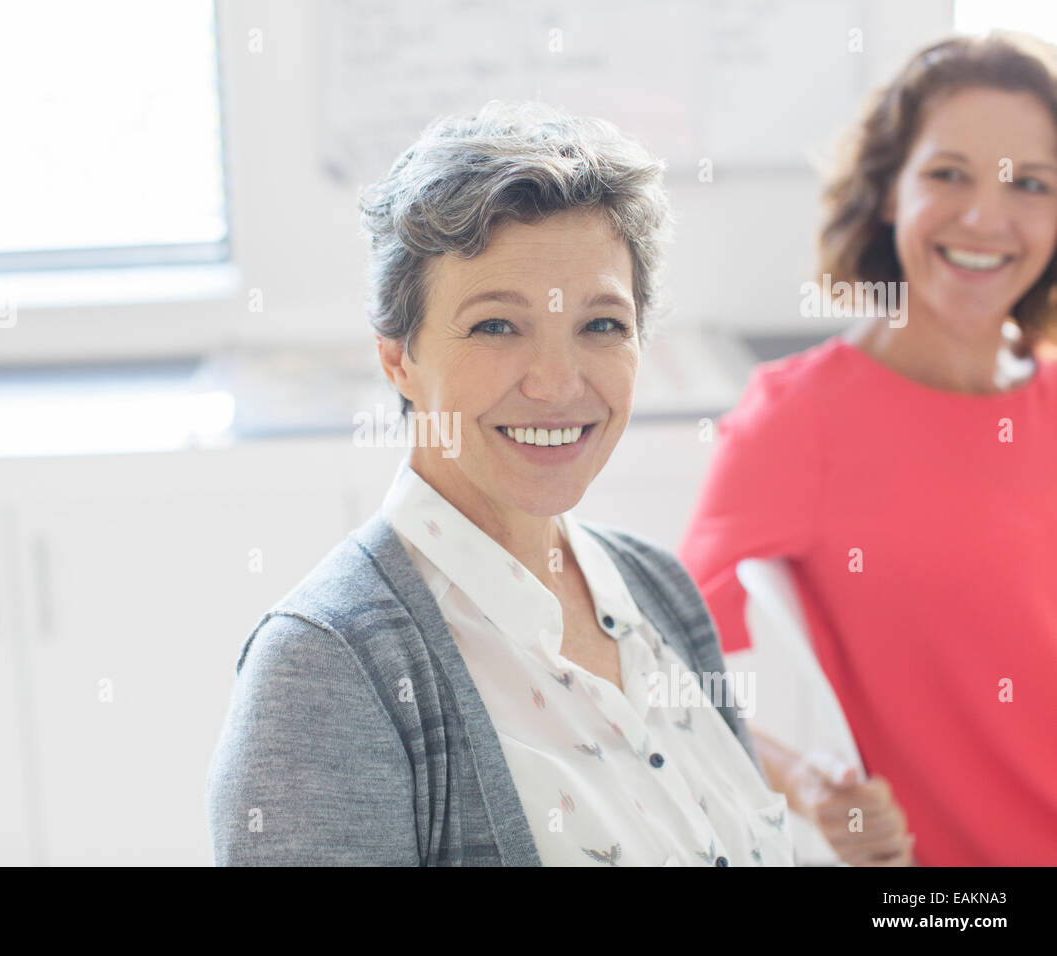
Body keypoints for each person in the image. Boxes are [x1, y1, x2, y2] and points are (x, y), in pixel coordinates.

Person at [206, 100, 795, 865]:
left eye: (601, 325)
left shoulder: (660, 592)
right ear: (398, 358)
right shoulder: (323, 673)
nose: (556, 384)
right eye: (496, 325)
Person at [679, 32, 1057, 867]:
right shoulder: (801, 418)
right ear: (888, 192)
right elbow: (662, 671)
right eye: (948, 173)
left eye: (1030, 184)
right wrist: (806, 786)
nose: (985, 218)